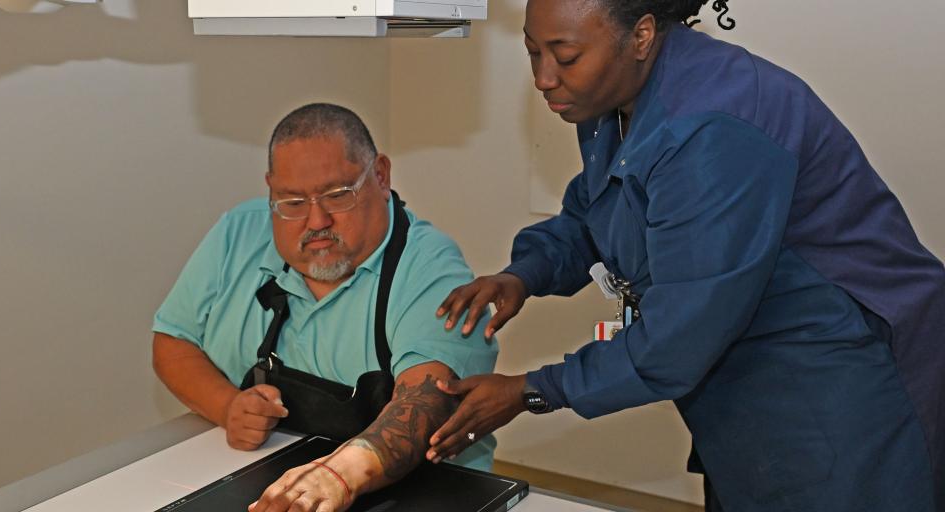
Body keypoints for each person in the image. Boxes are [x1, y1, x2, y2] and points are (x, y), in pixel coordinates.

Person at [425, 1, 945, 511]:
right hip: (744, 381)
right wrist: (525, 274)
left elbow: (681, 335)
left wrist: (531, 390)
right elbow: (598, 207)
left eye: (565, 56)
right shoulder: (616, 98)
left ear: (642, 35)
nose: (543, 78)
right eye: (533, 52)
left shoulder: (713, 127)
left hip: (838, 380)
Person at [152, 103, 497, 512]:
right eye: (292, 202)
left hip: (422, 491)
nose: (316, 220)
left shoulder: (430, 268)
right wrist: (227, 406)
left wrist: (336, 476)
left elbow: (427, 404)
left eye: (337, 196)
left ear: (381, 176)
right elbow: (173, 341)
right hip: (262, 479)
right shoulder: (237, 235)